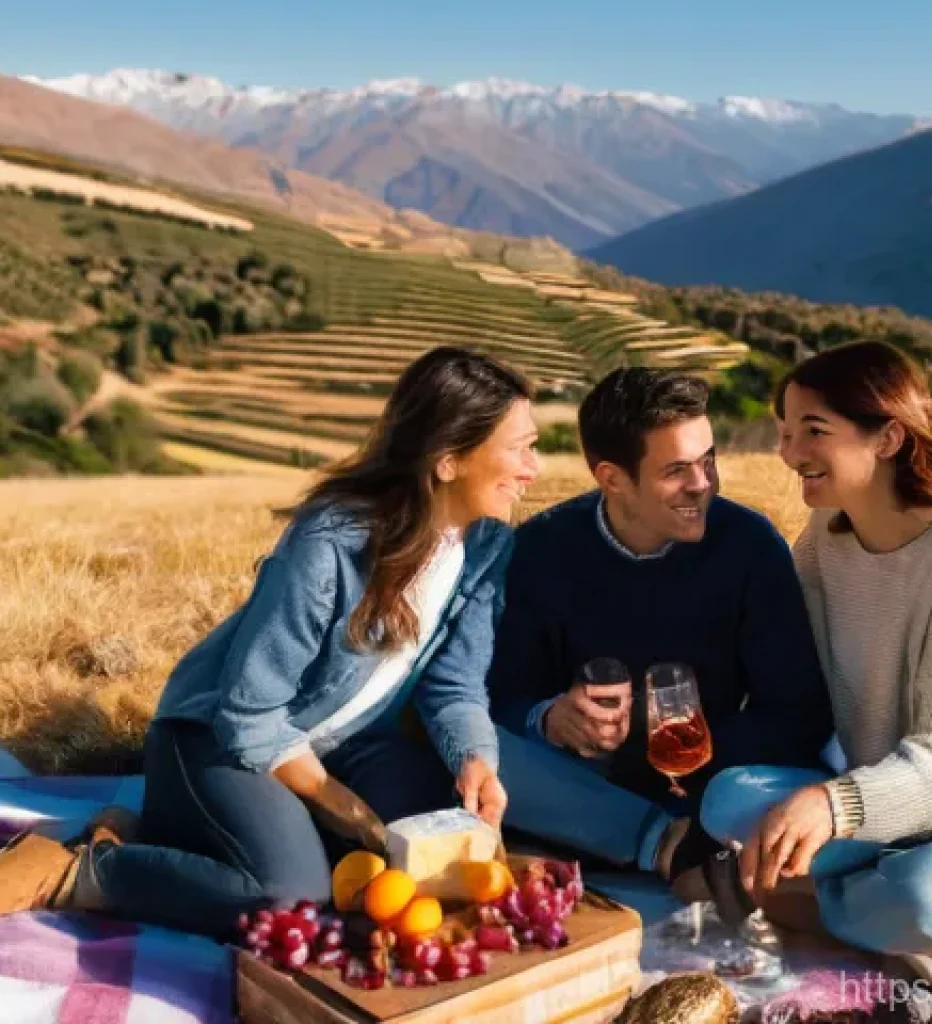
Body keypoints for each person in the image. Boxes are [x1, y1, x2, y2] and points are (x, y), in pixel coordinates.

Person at [0, 346, 540, 937]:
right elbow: (249, 713)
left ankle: (155, 830)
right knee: (291, 903)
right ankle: (85, 870)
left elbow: (454, 685)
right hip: (219, 736)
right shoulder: (332, 542)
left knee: (436, 853)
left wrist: (473, 759)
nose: (532, 470)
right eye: (520, 448)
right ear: (448, 461)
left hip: (341, 740)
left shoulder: (488, 547)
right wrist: (336, 801)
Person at [700, 341, 932, 993]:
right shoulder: (825, 537)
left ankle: (800, 904)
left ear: (888, 437)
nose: (789, 452)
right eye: (786, 432)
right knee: (726, 798)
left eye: (812, 431)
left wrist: (830, 805)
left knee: (923, 903)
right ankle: (873, 920)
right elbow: (786, 671)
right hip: (884, 801)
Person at [488, 367, 834, 901]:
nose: (703, 484)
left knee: (745, 797)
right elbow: (501, 698)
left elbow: (798, 714)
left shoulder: (749, 545)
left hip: (713, 780)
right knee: (476, 750)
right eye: (676, 470)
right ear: (612, 478)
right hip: (585, 780)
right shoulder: (540, 550)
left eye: (708, 460)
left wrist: (687, 751)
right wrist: (552, 720)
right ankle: (669, 847)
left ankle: (646, 842)